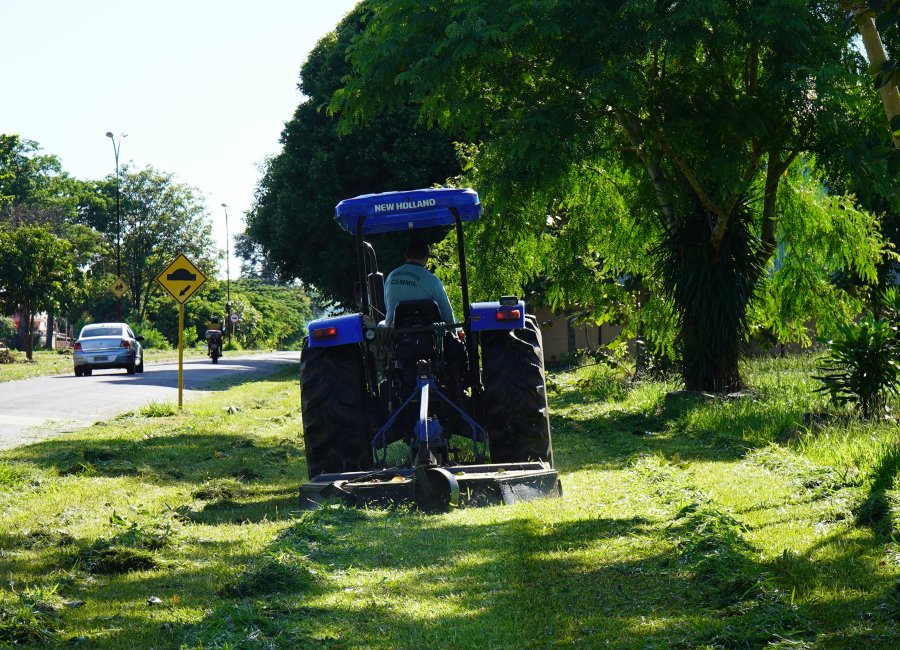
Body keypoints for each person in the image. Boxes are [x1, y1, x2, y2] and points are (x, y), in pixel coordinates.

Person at [384, 238, 455, 327]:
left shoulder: (391, 277)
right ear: (427, 257)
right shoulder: (433, 281)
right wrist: (455, 333)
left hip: (395, 335)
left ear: (406, 255)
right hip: (428, 336)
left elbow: (387, 306)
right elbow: (447, 314)